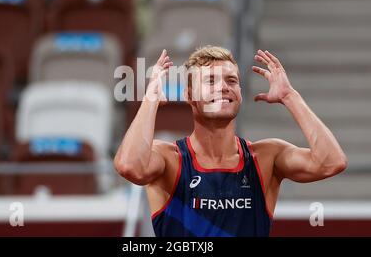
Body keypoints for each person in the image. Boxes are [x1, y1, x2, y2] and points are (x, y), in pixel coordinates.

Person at [114, 45, 347, 237]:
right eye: (211, 81)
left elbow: (331, 162)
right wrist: (150, 99)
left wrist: (290, 97)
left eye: (232, 81)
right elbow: (129, 166)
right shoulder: (169, 159)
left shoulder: (266, 157)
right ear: (189, 95)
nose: (224, 87)